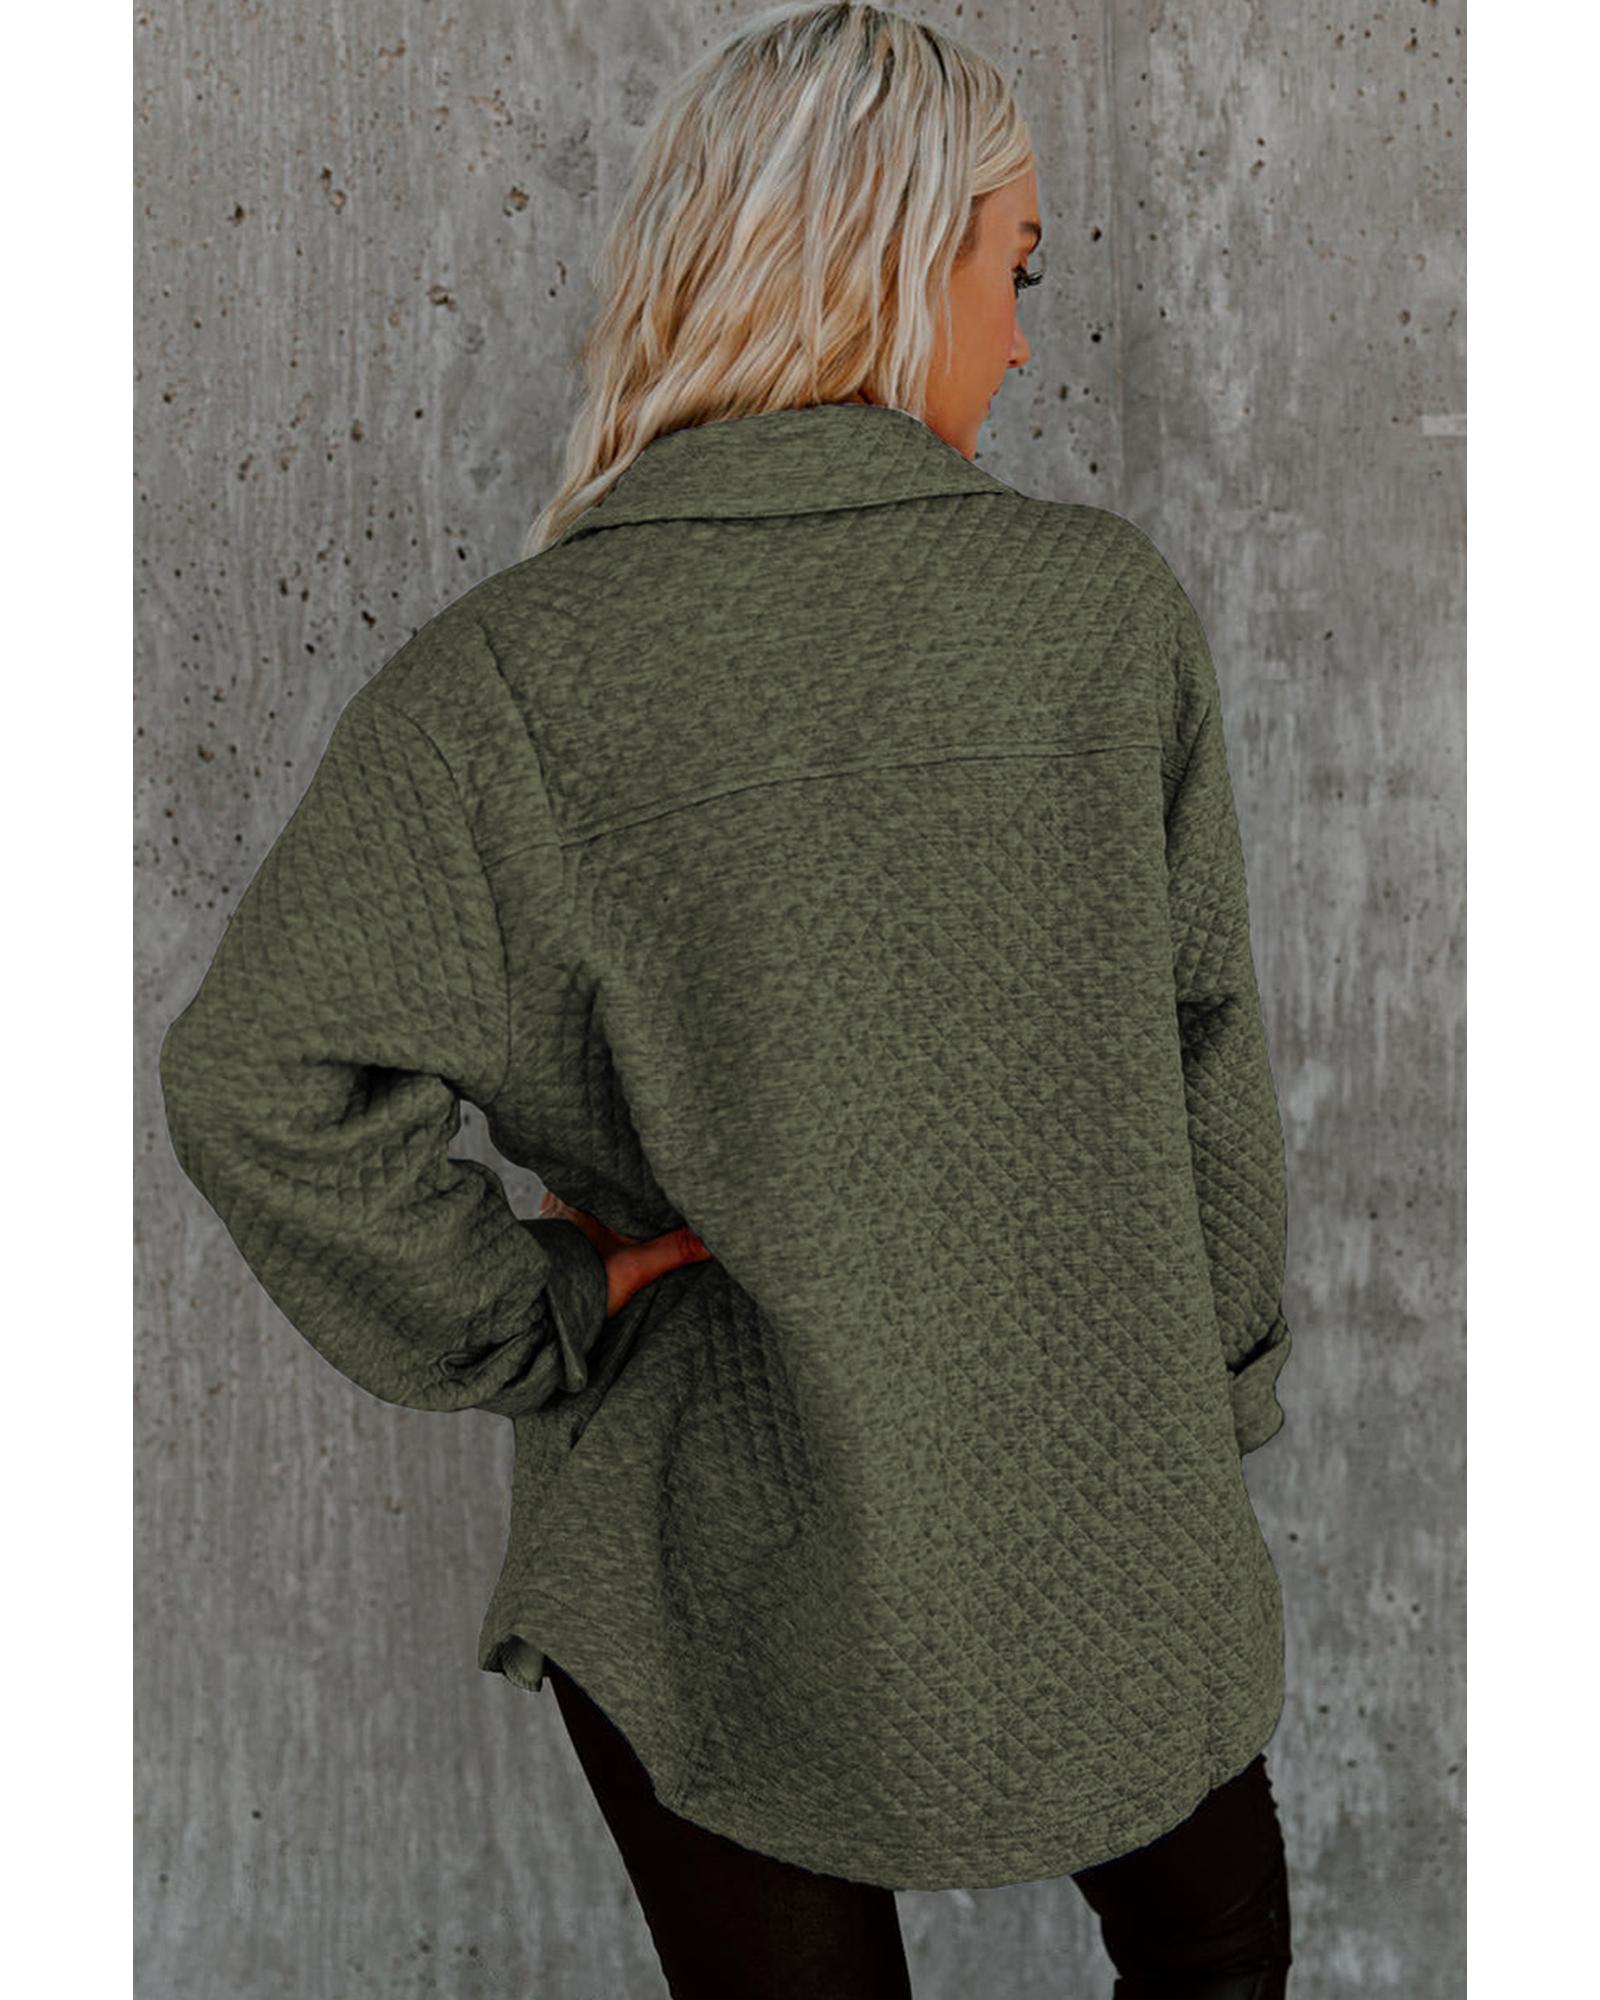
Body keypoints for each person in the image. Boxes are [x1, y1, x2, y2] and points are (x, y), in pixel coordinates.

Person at [158, 4, 1297, 1994]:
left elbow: (261, 1080)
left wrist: (540, 1309)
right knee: (1215, 1964)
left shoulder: (510, 678)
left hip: (711, 1546)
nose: (1022, 342)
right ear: (890, 259)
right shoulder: (1096, 614)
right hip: (1105, 1518)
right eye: (1010, 272)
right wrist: (1208, 1406)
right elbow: (1204, 1047)